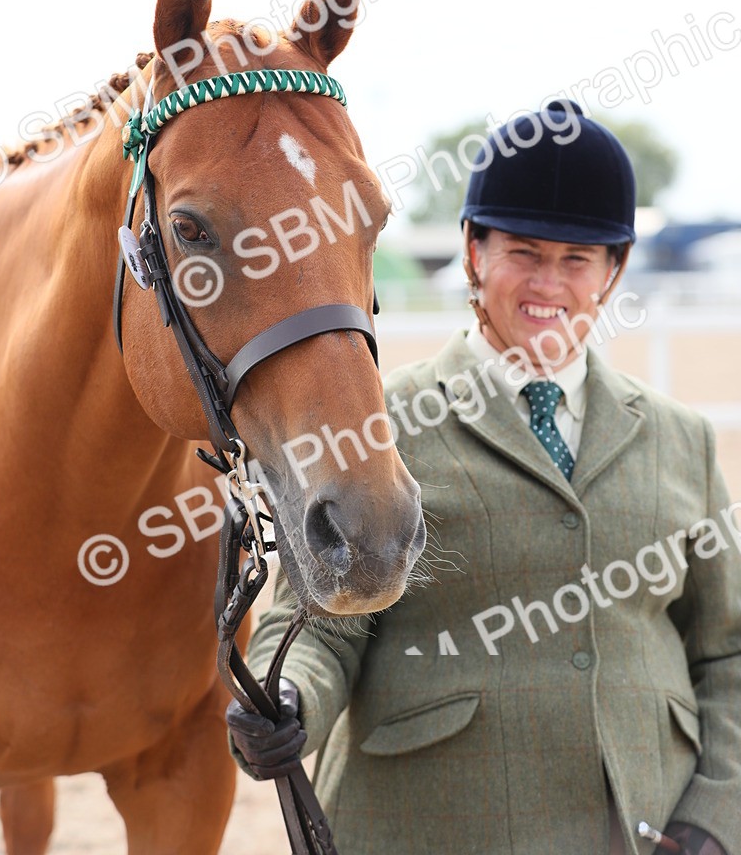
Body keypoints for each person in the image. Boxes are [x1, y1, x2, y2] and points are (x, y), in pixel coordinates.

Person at [226, 101, 741, 855]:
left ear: (615, 269)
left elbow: (727, 653)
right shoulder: (381, 427)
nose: (549, 285)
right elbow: (324, 623)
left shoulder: (681, 439)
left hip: (642, 831)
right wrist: (288, 696)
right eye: (523, 253)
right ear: (473, 250)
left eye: (577, 260)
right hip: (430, 828)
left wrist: (713, 823)